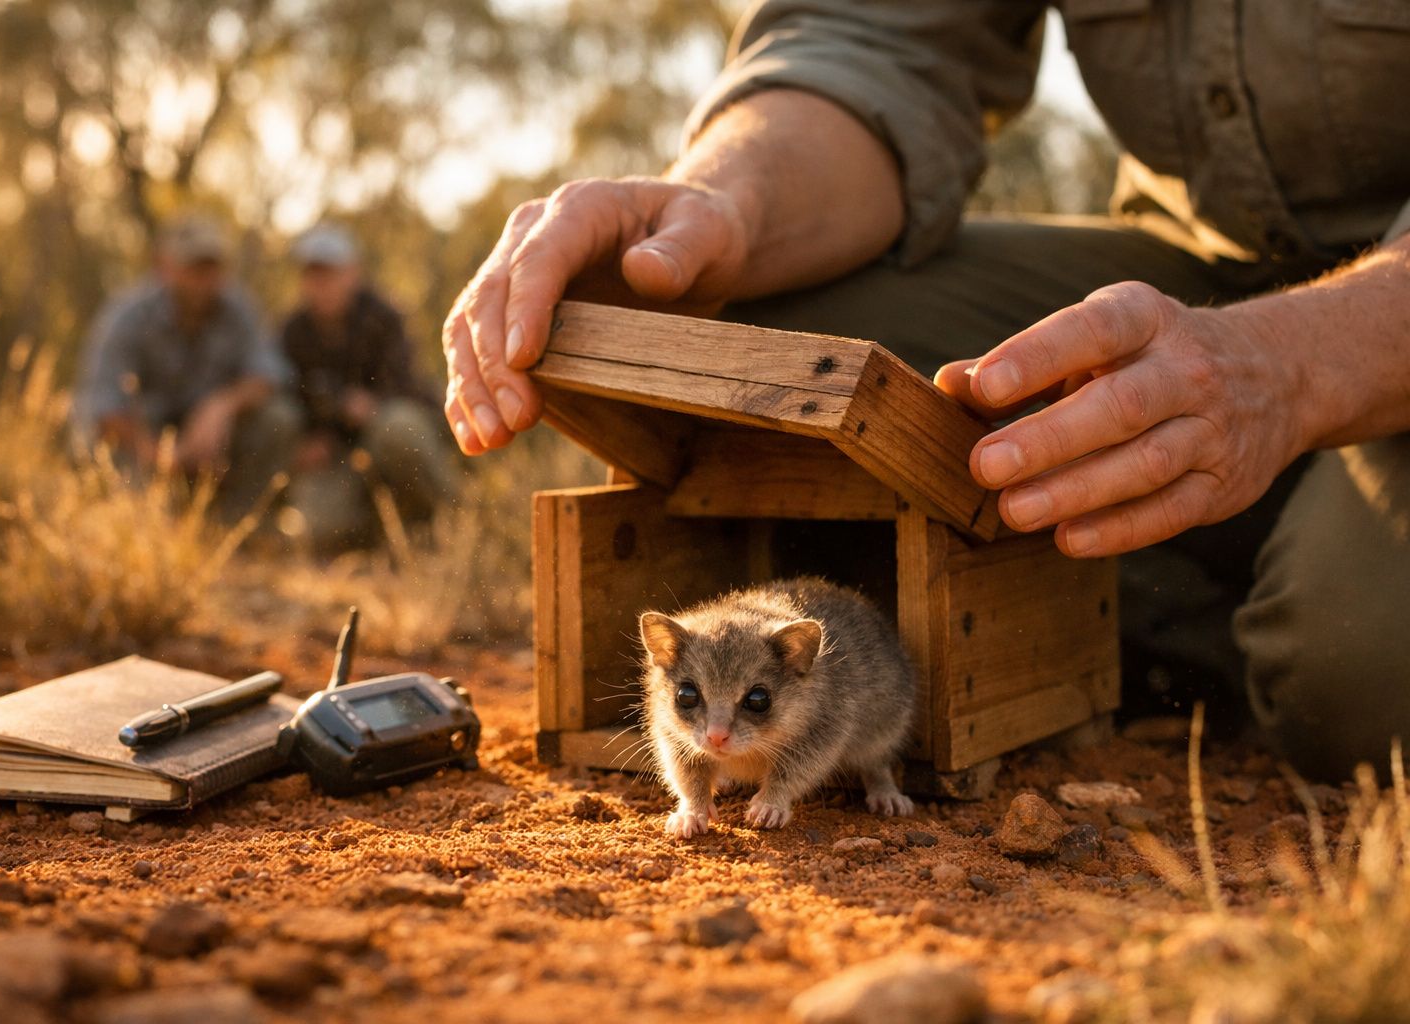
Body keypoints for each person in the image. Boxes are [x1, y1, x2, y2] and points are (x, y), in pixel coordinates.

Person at [441, 1, 1410, 781]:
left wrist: (1290, 365)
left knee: (1351, 672)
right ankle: (1208, 575)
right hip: (1191, 263)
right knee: (746, 362)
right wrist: (722, 208)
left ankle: (1266, 584)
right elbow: (872, 42)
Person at [73, 215, 299, 520]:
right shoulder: (126, 316)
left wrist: (222, 407)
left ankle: (239, 522)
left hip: (208, 442)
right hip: (144, 440)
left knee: (279, 417)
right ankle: (134, 515)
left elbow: (270, 374)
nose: (203, 279)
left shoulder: (238, 307)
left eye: (211, 267)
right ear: (164, 267)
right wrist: (162, 455)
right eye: (193, 268)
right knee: (100, 450)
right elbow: (103, 407)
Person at [278, 225, 454, 542]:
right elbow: (292, 396)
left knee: (397, 429)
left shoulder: (384, 318)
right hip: (340, 453)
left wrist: (372, 407)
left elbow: (408, 384)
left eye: (330, 273)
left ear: (353, 273)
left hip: (390, 434)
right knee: (311, 529)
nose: (321, 284)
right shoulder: (293, 332)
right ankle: (383, 536)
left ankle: (454, 521)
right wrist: (314, 438)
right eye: (313, 274)